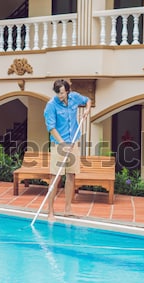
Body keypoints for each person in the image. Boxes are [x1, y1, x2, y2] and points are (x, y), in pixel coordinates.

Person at [43, 79, 92, 221]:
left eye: (63, 93)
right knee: (55, 177)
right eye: (58, 93)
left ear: (67, 90)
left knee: (71, 175)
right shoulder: (51, 105)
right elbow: (51, 128)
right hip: (59, 144)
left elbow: (88, 100)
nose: (60, 96)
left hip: (73, 142)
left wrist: (87, 109)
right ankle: (50, 210)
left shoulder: (75, 97)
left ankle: (67, 209)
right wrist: (63, 143)